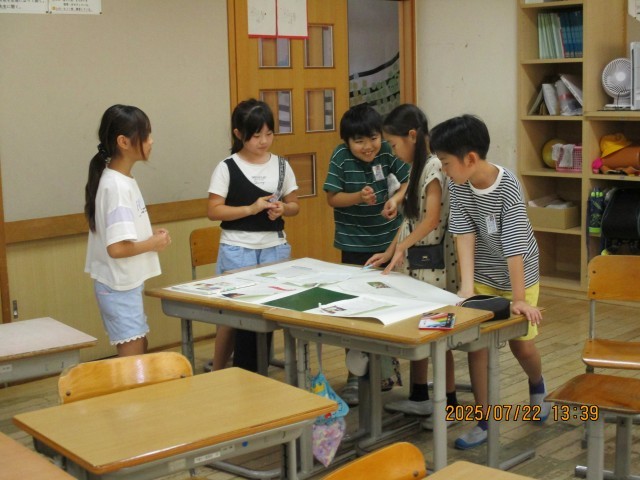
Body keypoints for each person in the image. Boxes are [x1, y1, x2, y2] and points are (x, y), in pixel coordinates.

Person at [429, 114, 551, 450]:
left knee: (521, 344)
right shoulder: (458, 184)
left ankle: (537, 384)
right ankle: (484, 419)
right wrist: (467, 288)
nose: (444, 170)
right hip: (484, 274)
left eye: (446, 162)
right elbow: (464, 235)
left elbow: (515, 246)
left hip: (519, 274)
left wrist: (519, 298)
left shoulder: (507, 185)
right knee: (477, 345)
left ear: (470, 158)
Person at [365, 104, 459, 427]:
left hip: (432, 265)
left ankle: (449, 405)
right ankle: (420, 395)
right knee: (419, 330)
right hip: (417, 262)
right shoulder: (417, 167)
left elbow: (430, 220)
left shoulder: (434, 167)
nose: (393, 151)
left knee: (437, 335)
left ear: (412, 136)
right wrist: (389, 251)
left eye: (394, 144)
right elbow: (409, 220)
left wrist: (402, 247)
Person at [323, 103, 410, 405]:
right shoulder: (340, 156)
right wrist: (358, 197)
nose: (368, 146)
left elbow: (409, 181)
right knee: (355, 311)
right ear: (347, 141)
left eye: (373, 138)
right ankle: (354, 376)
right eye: (359, 141)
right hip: (354, 244)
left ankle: (385, 372)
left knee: (388, 307)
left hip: (388, 241)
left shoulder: (386, 150)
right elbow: (333, 198)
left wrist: (396, 200)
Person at [208, 98, 299, 372]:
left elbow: (295, 205)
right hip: (238, 248)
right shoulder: (227, 167)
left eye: (269, 134)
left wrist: (283, 208)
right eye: (256, 135)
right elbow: (214, 211)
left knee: (269, 311)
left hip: (274, 247)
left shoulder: (281, 166)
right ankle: (219, 370)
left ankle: (257, 368)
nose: (264, 141)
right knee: (232, 316)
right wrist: (250, 209)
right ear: (239, 134)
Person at [84, 104, 171, 357]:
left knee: (140, 346)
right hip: (118, 285)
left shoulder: (120, 180)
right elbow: (117, 248)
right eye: (145, 135)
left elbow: (120, 230)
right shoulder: (116, 186)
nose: (151, 141)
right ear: (123, 142)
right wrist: (153, 243)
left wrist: (149, 233)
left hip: (123, 284)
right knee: (133, 357)